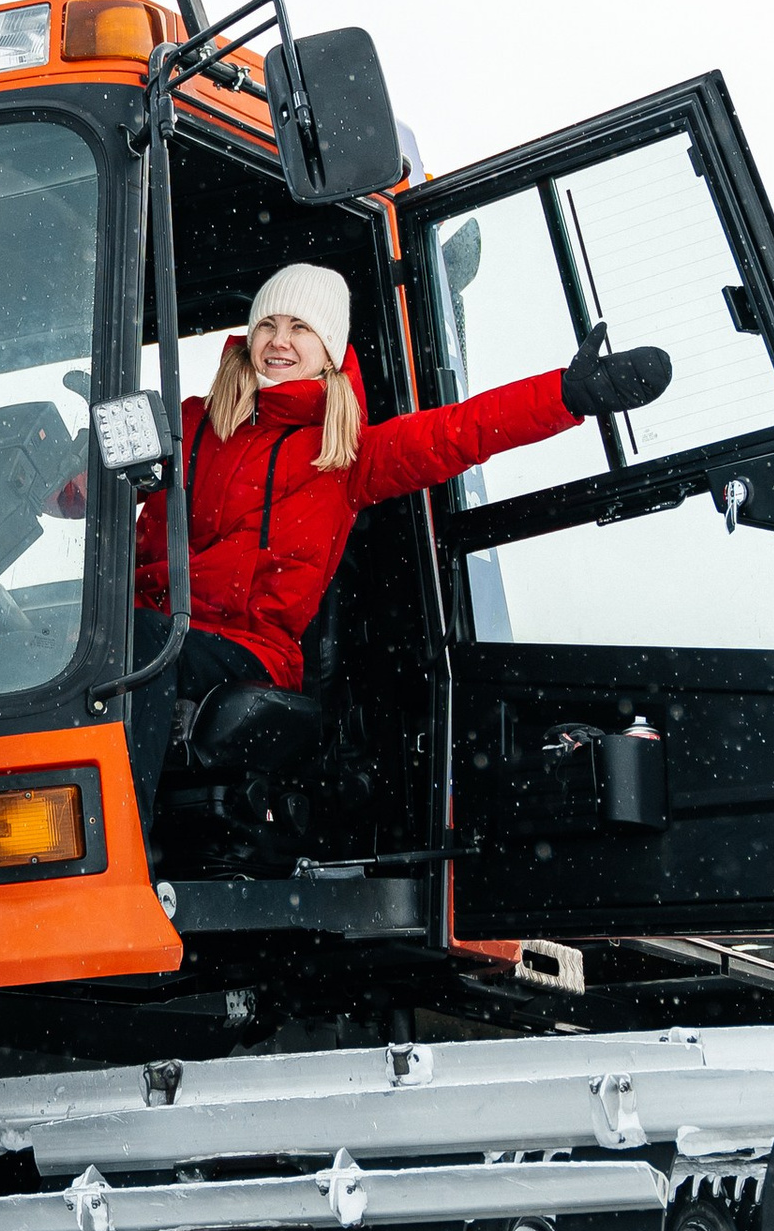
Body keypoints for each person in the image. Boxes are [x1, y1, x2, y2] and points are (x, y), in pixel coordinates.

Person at [125, 260, 671, 835]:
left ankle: (121, 836)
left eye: (300, 328)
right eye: (268, 325)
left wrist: (565, 395)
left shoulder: (346, 455)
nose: (279, 341)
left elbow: (460, 431)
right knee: (100, 638)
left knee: (139, 644)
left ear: (330, 350)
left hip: (247, 646)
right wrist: (70, 468)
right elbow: (96, 488)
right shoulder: (190, 423)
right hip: (150, 622)